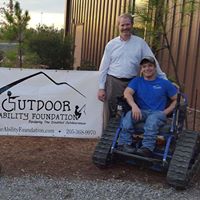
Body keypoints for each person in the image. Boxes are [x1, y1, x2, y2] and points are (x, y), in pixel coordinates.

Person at [97, 13, 167, 125]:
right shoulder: (111, 45)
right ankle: (110, 139)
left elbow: (153, 61)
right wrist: (101, 88)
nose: (125, 27)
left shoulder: (140, 43)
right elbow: (103, 67)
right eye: (122, 25)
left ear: (132, 25)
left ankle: (127, 138)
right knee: (113, 112)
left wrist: (164, 79)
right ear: (118, 27)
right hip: (114, 82)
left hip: (133, 83)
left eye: (127, 24)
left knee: (131, 112)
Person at [117, 56, 177, 157]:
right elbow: (127, 93)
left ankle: (147, 148)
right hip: (141, 112)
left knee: (152, 119)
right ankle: (124, 144)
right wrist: (134, 106)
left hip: (157, 113)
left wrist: (166, 112)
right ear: (141, 69)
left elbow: (178, 99)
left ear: (155, 68)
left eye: (150, 66)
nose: (147, 68)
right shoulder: (137, 81)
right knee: (128, 115)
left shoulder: (164, 83)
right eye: (144, 66)